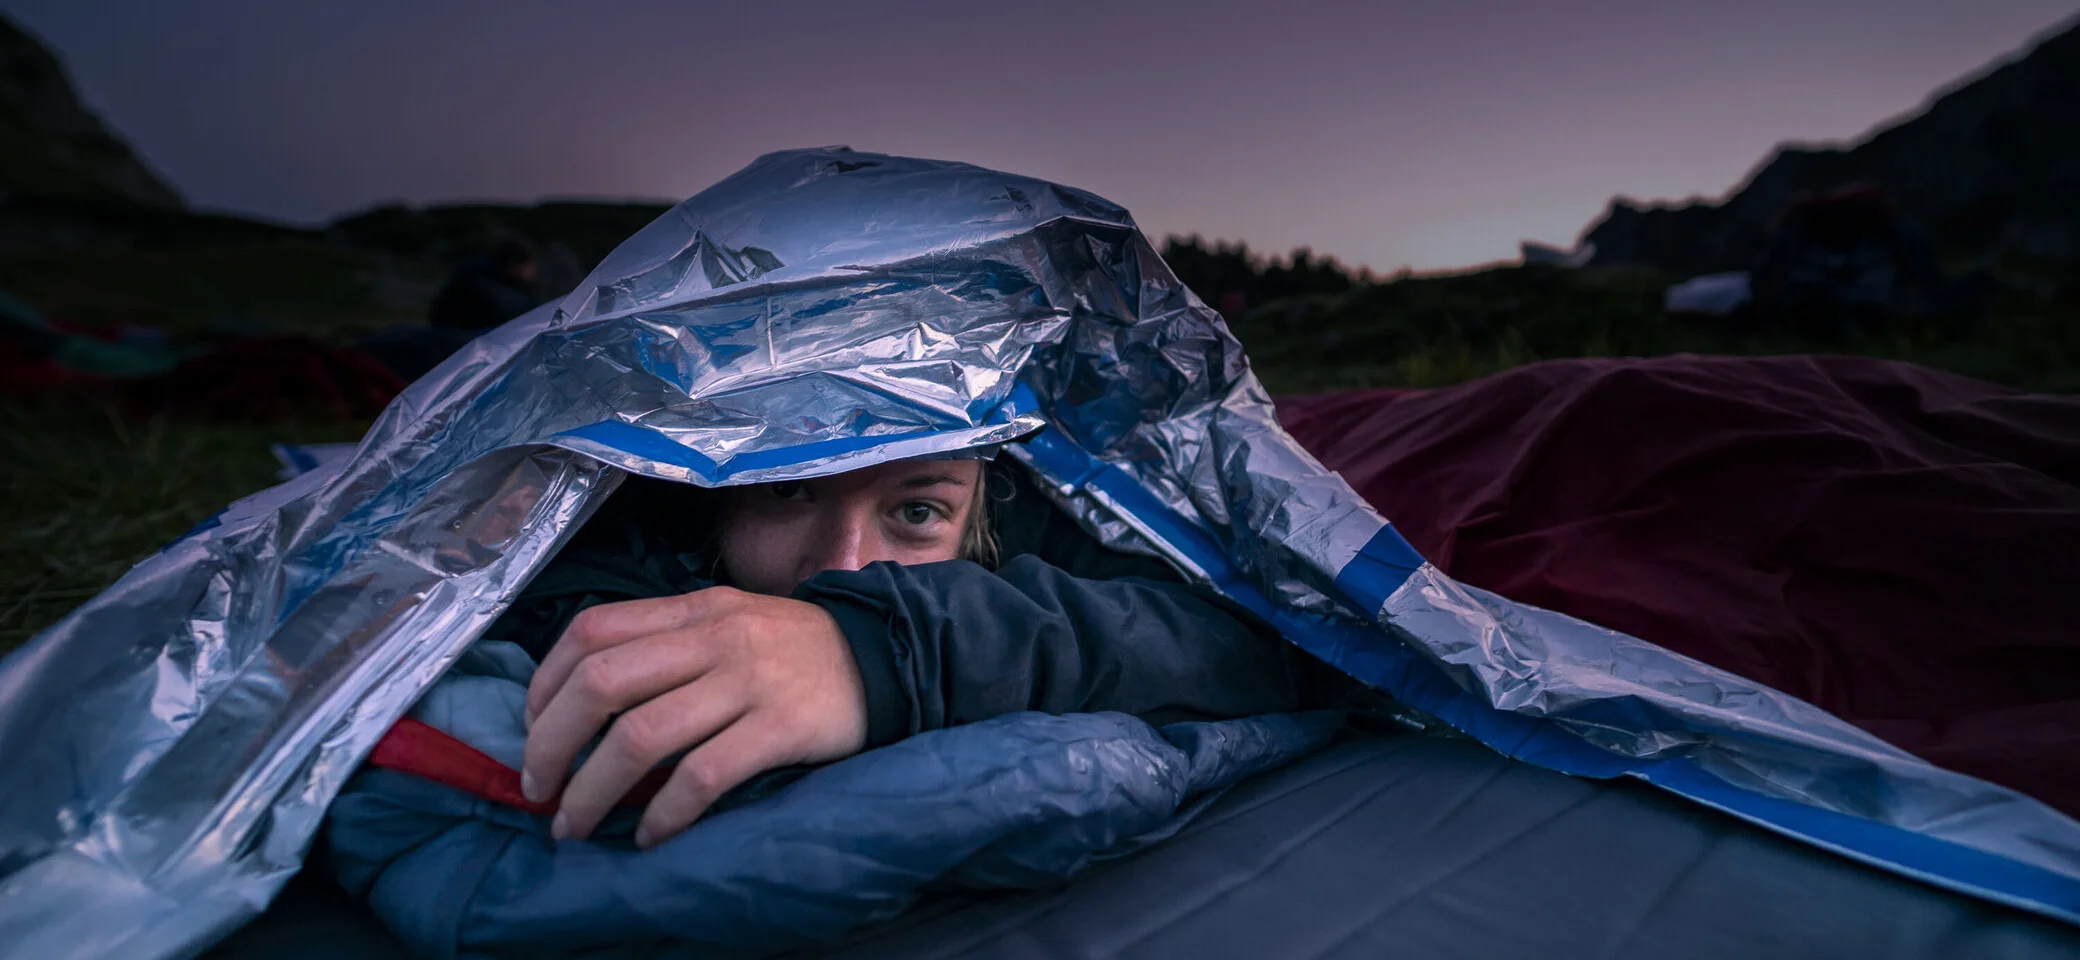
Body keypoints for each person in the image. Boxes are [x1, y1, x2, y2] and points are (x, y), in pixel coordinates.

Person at [493, 452, 1314, 850]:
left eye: (916, 512)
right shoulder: (613, 526)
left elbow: (1271, 635)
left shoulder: (1043, 508)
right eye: (787, 489)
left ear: (977, 526)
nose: (845, 564)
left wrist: (883, 649)